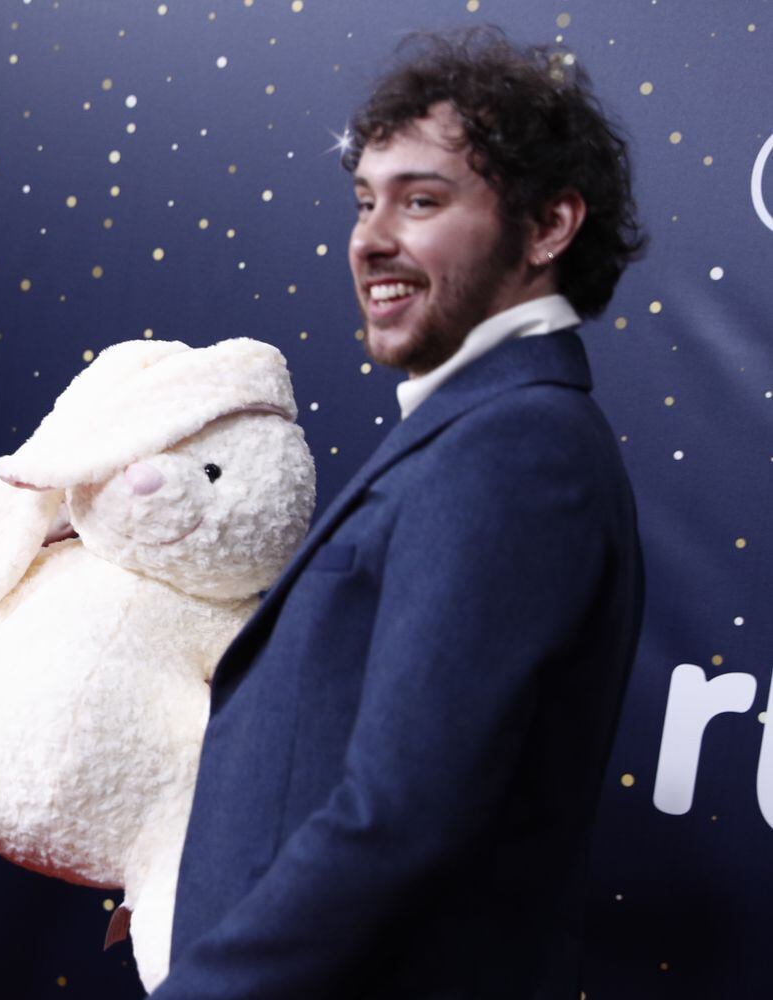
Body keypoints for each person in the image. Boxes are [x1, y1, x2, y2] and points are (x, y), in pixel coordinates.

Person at [153, 28, 645, 998]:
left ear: (548, 226)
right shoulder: (481, 432)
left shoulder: (517, 448)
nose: (369, 238)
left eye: (420, 200)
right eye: (364, 200)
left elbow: (404, 811)